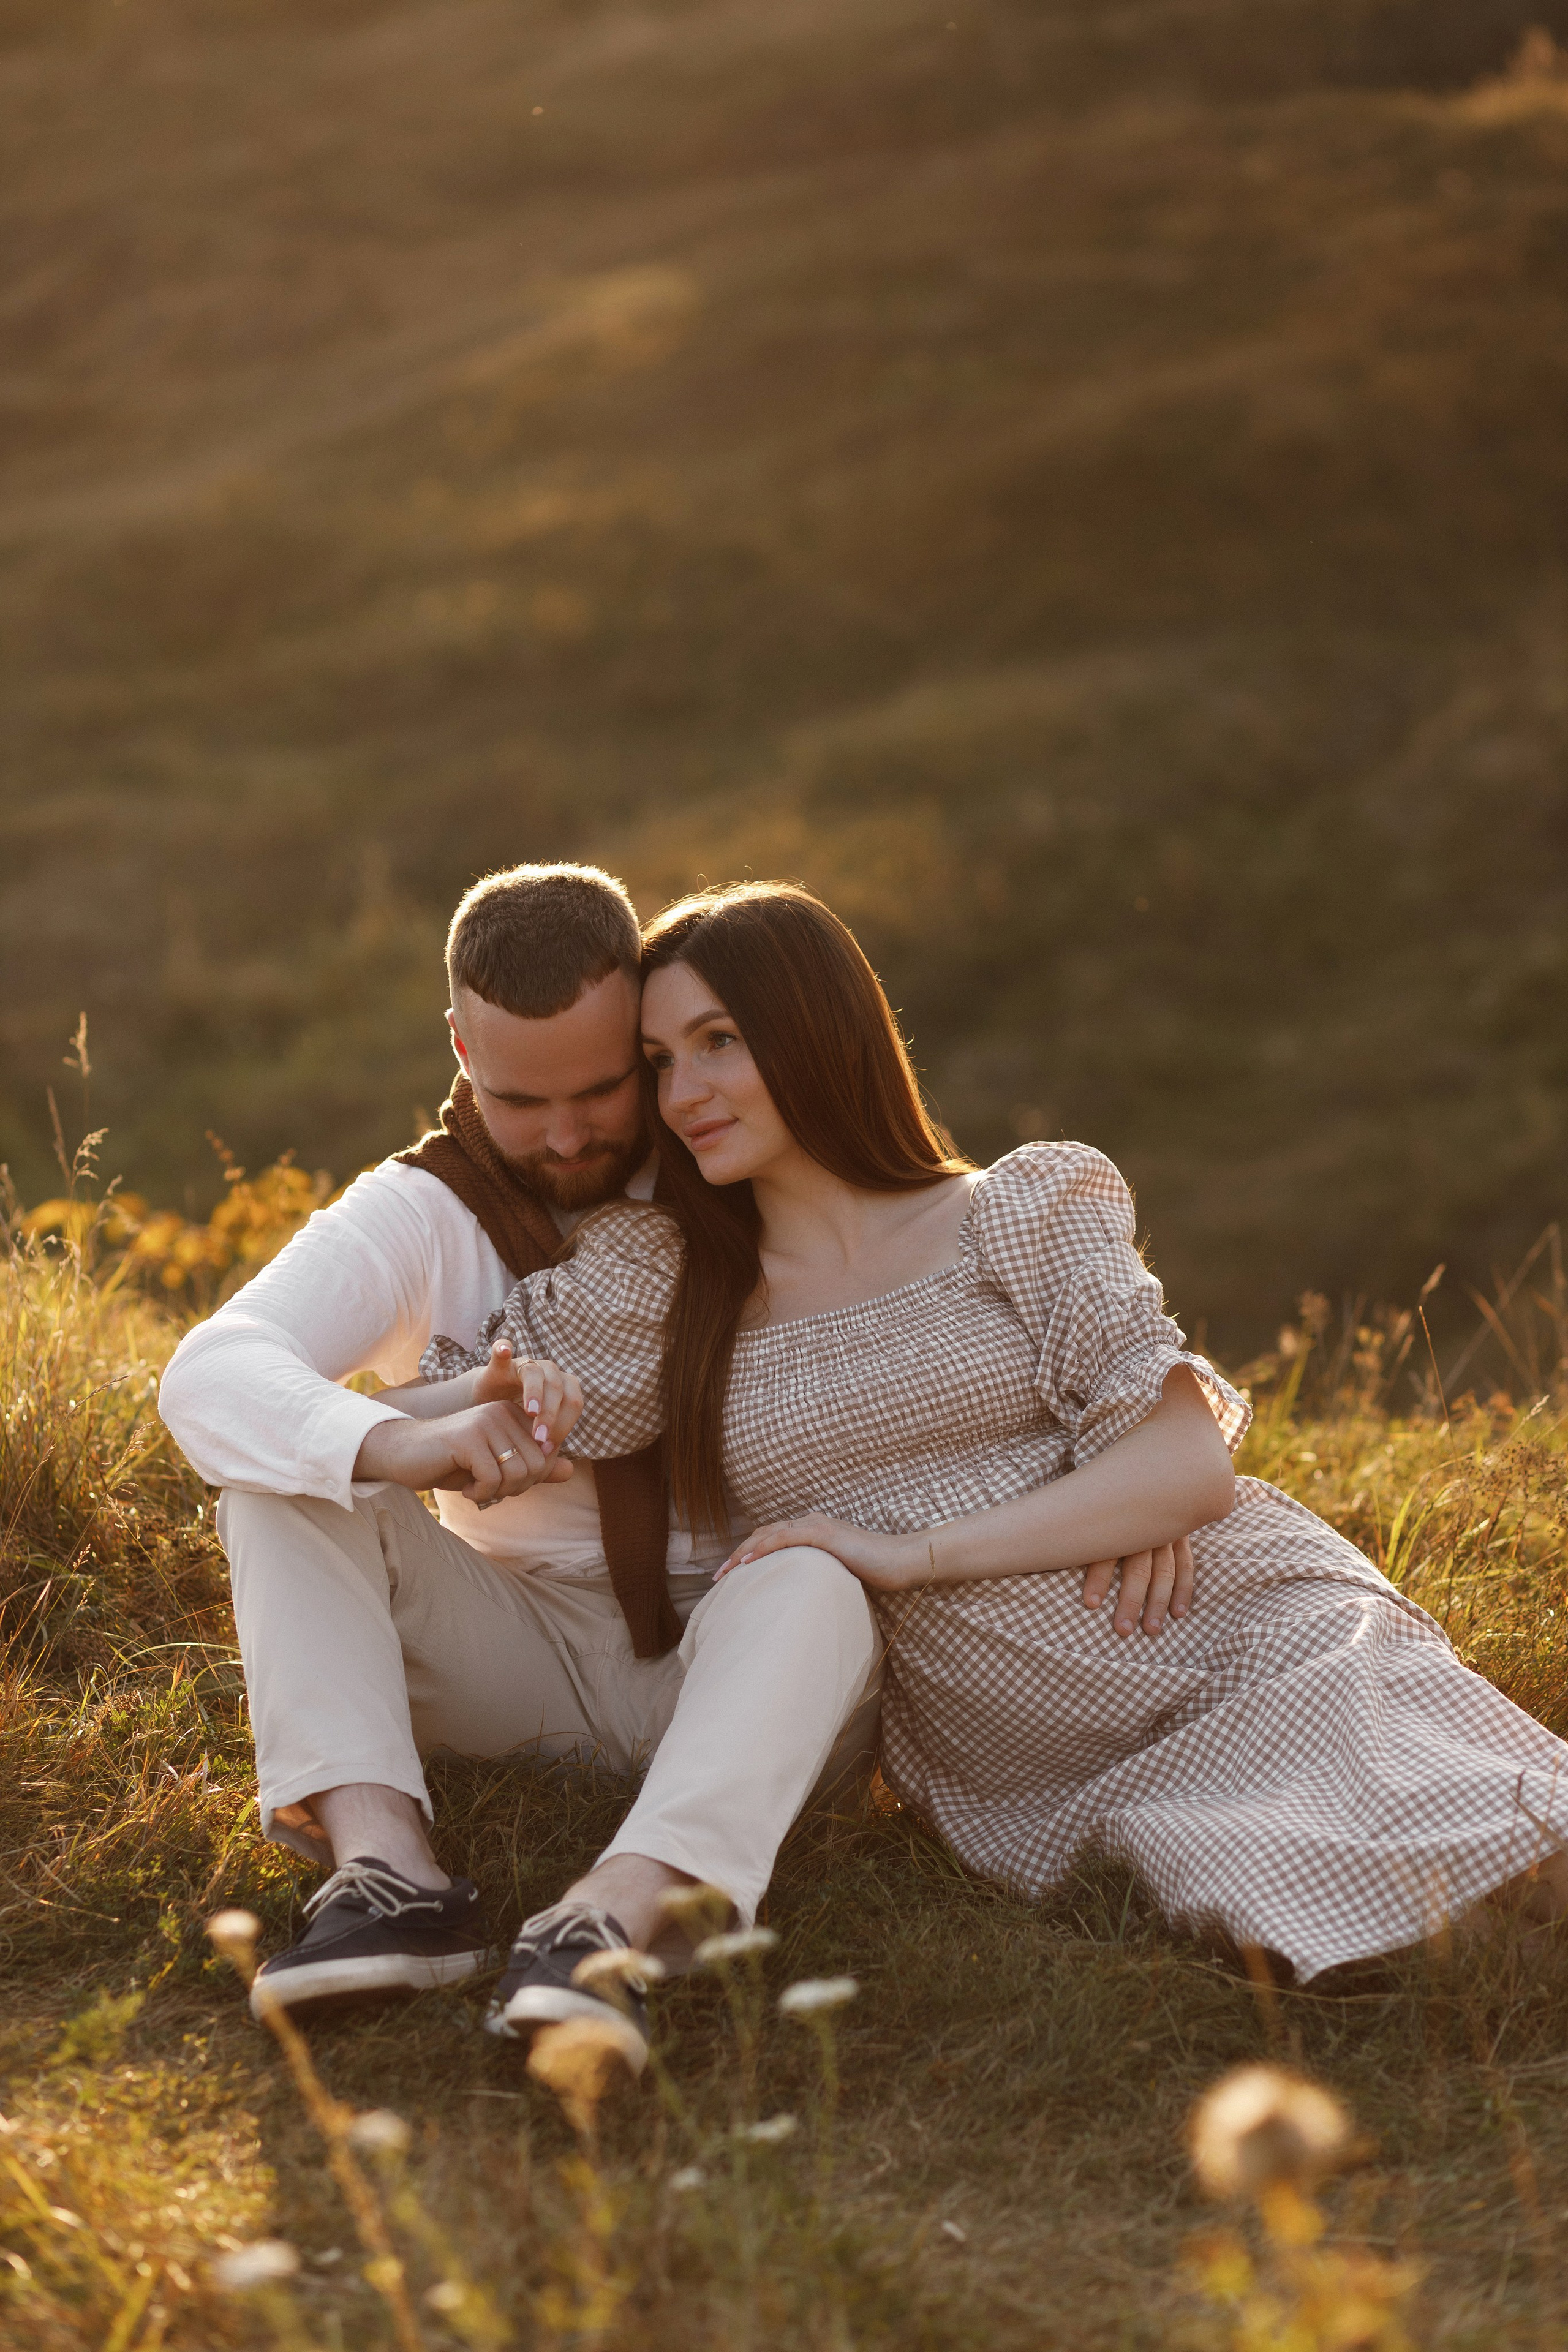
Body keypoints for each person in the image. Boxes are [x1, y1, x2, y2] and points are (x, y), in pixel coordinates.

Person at [410, 878, 1568, 2016]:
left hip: (1238, 1621)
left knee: (1499, 1820)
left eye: (718, 1042)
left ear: (819, 1028)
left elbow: (1183, 1471)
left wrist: (908, 1557)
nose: (685, 1092)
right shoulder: (672, 1278)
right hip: (1037, 1740)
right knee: (1374, 1922)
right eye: (661, 1061)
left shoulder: (1017, 1208)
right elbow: (459, 1414)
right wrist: (375, 1411)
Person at [158, 862, 884, 2066]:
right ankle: (389, 1878)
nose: (563, 1135)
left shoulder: (743, 1154)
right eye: (516, 1100)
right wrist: (406, 1437)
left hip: (749, 1658)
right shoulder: (410, 1212)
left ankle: (616, 1923)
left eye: (602, 1090)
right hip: (516, 1649)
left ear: (647, 1041)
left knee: (814, 1582)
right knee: (285, 1475)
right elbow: (211, 1368)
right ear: (457, 1048)